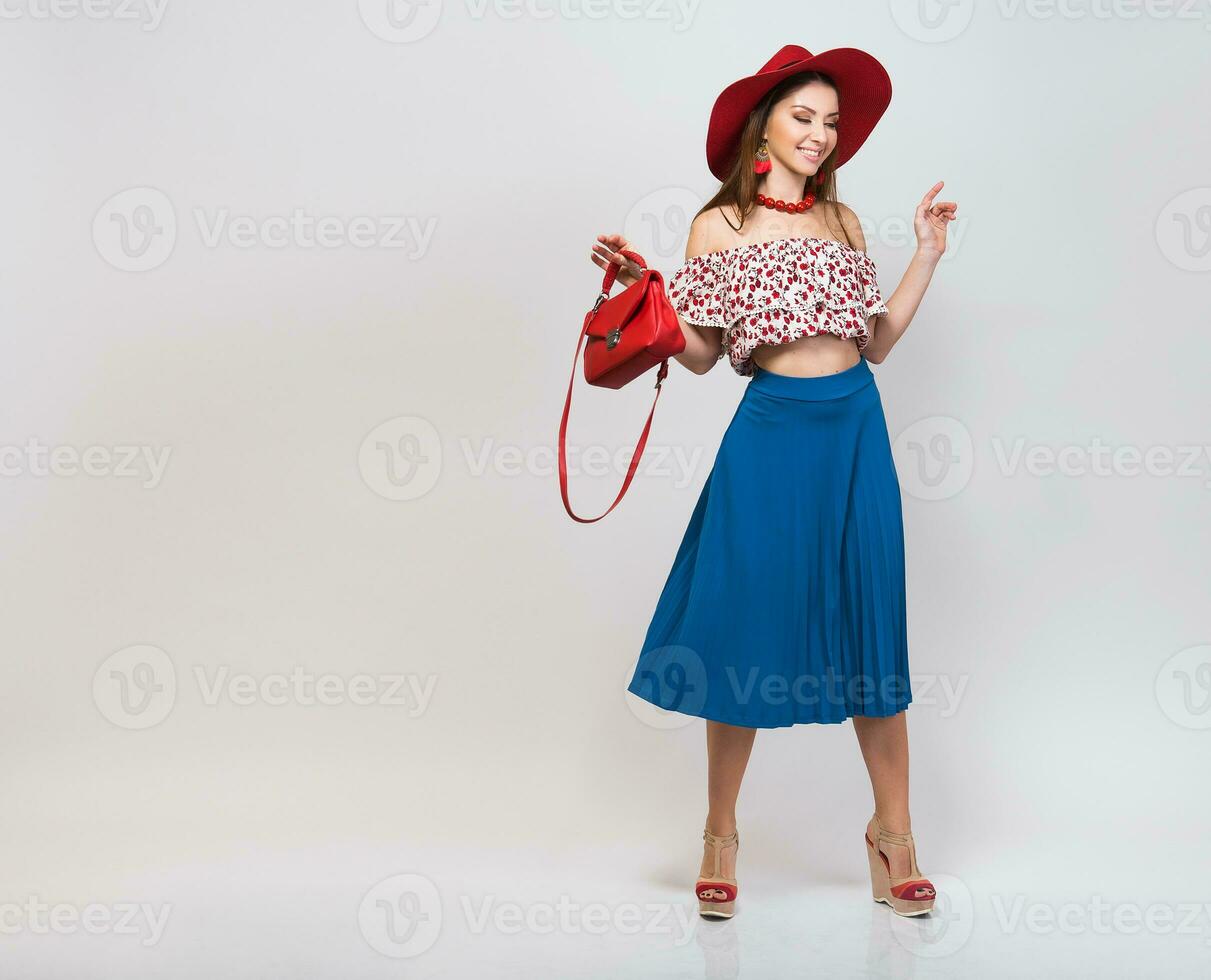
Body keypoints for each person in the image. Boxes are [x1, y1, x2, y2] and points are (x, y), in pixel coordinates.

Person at [590, 44, 958, 920]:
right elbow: (706, 354)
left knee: (872, 618)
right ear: (764, 125)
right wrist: (649, 298)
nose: (820, 135)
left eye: (831, 122)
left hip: (854, 428)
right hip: (769, 434)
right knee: (746, 624)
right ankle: (719, 834)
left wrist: (928, 255)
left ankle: (892, 838)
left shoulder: (844, 222)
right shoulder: (720, 226)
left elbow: (873, 341)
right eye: (804, 116)